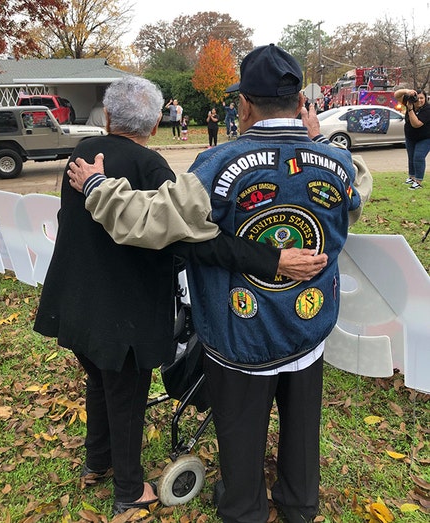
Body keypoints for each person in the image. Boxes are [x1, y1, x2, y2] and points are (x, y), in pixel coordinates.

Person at [65, 44, 371, 523]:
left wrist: (98, 187)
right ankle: (298, 504)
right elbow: (355, 198)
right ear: (300, 104)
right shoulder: (333, 160)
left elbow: (146, 221)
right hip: (310, 326)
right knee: (302, 426)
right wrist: (321, 144)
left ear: (244, 104)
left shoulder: (218, 164)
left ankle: (245, 507)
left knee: (241, 429)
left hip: (241, 334)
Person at [394, 88, 430, 190]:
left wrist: (410, 109)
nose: (419, 100)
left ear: (425, 98)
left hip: (425, 138)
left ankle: (418, 181)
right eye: (417, 98)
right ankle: (412, 177)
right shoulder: (409, 102)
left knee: (418, 157)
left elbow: (416, 124)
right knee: (411, 157)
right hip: (410, 137)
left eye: (422, 98)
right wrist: (407, 91)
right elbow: (396, 94)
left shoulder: (427, 109)